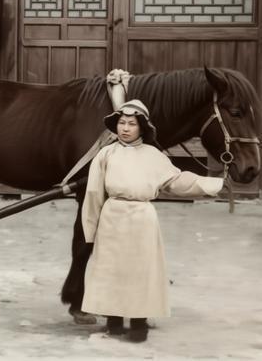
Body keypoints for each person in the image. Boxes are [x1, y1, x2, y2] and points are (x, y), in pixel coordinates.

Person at [81, 99, 223, 342]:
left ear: (142, 128)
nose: (125, 128)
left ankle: (139, 324)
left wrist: (214, 183)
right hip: (112, 217)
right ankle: (114, 322)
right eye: (122, 123)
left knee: (141, 272)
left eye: (131, 124)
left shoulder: (153, 156)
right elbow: (94, 193)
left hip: (141, 218)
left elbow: (177, 181)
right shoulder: (106, 154)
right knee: (111, 271)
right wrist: (91, 229)